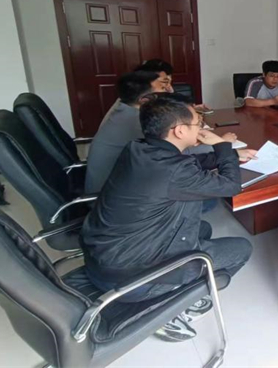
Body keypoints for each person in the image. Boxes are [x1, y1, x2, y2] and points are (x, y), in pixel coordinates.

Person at [81, 94, 256, 342]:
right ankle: (169, 308)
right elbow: (230, 185)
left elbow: (185, 163)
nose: (202, 128)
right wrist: (222, 146)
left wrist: (231, 156)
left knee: (203, 229)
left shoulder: (137, 148)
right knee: (241, 248)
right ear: (179, 130)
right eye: (198, 123)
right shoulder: (176, 170)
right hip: (132, 278)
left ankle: (174, 288)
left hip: (105, 258)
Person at [85, 71, 163, 194]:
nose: (169, 92)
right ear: (144, 100)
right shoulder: (136, 122)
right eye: (162, 90)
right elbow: (170, 153)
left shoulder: (125, 111)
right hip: (110, 197)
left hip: (115, 187)